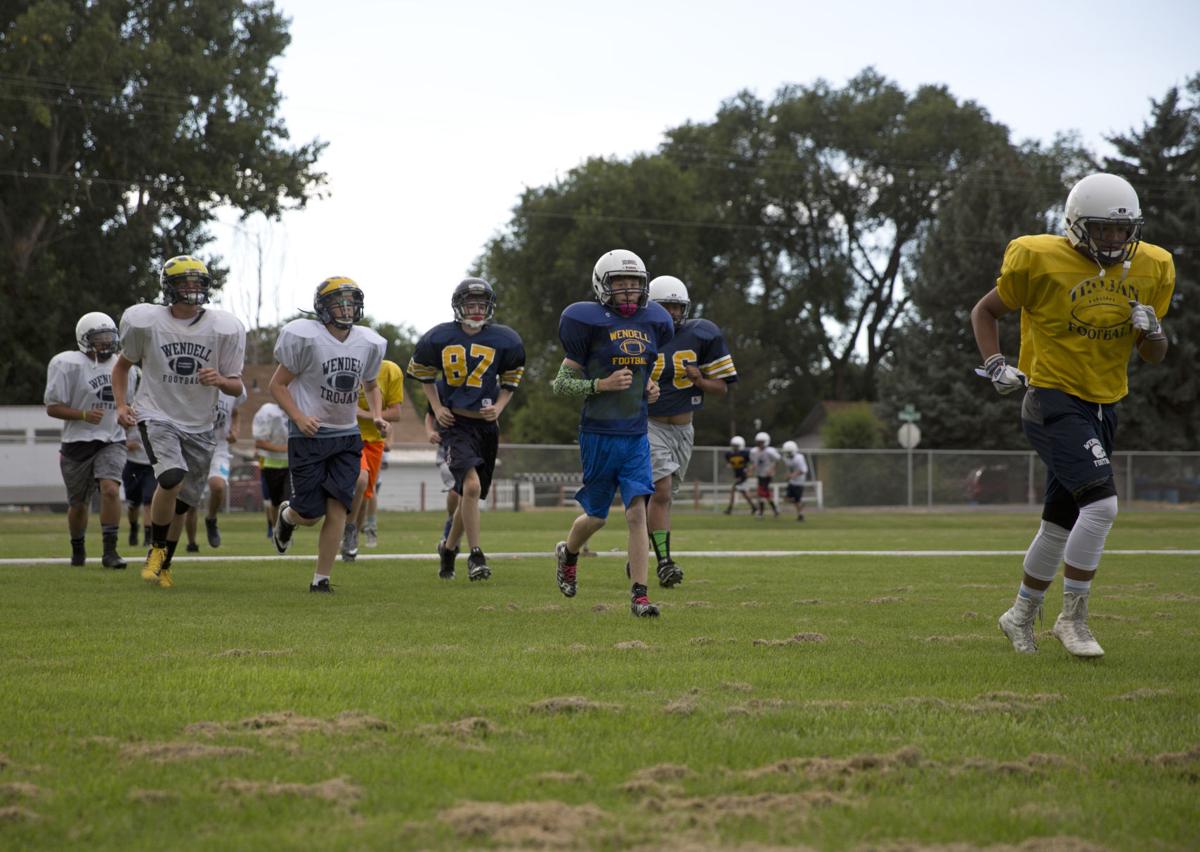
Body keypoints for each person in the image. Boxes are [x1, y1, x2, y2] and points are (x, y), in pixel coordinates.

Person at [970, 172, 1173, 658]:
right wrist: (996, 362)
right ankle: (1072, 619)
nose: (1114, 239)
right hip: (1051, 398)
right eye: (1103, 229)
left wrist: (1155, 332)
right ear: (1078, 225)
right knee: (1102, 507)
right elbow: (985, 311)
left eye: (1122, 231)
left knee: (1060, 522)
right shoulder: (1038, 258)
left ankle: (1019, 616)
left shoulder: (1152, 266)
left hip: (1104, 403)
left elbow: (1154, 356)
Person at [551, 249, 673, 617]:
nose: (627, 293)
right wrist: (600, 384)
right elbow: (560, 385)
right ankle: (568, 552)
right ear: (602, 286)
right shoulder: (585, 321)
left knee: (637, 512)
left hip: (636, 433)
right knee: (598, 517)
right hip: (599, 433)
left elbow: (645, 368)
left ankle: (640, 595)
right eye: (619, 284)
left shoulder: (655, 320)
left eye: (634, 285)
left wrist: (650, 386)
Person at [112, 256, 247, 588]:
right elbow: (121, 367)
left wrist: (219, 379)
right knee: (170, 478)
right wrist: (120, 405)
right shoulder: (146, 322)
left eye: (197, 283)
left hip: (200, 423)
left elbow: (237, 385)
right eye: (185, 283)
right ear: (168, 287)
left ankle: (164, 561)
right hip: (156, 412)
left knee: (185, 502)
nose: (192, 289)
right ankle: (155, 549)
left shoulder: (223, 327)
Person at [269, 276, 387, 593]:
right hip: (309, 435)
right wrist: (298, 416)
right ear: (323, 308)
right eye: (339, 302)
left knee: (339, 506)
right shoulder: (305, 338)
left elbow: (372, 386)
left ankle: (321, 579)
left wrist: (376, 414)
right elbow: (276, 385)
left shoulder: (368, 342)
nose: (347, 309)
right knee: (309, 514)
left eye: (351, 302)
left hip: (346, 435)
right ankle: (288, 517)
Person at [408, 277, 525, 581]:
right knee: (470, 488)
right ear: (458, 306)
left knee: (467, 494)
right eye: (470, 304)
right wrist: (436, 407)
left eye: (481, 304)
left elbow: (511, 378)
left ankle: (448, 549)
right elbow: (423, 373)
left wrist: (498, 408)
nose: (475, 309)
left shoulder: (504, 339)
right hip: (456, 424)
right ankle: (476, 555)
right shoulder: (440, 336)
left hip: (485, 426)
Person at [644, 275, 737, 587]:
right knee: (662, 492)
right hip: (650, 424)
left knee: (664, 498)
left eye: (676, 306)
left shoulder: (702, 333)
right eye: (665, 306)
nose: (671, 312)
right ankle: (664, 563)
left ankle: (640, 550)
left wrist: (700, 381)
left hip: (684, 429)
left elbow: (721, 388)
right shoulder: (640, 334)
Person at [44, 312, 132, 568]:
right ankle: (78, 547)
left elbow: (129, 404)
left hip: (111, 440)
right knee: (79, 504)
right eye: (100, 338)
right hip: (77, 442)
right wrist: (82, 414)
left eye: (109, 337)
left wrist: (129, 413)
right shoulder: (66, 364)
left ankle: (110, 552)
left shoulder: (124, 366)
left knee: (111, 489)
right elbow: (52, 407)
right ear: (84, 339)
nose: (106, 343)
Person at [341, 359, 404, 561]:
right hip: (347, 436)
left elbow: (395, 413)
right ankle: (349, 530)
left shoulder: (390, 370)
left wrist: (369, 415)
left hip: (374, 441)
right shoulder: (345, 364)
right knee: (360, 480)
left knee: (366, 494)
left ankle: (351, 538)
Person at [184, 388, 246, 550]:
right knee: (191, 501)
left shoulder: (231, 387)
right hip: (195, 446)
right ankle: (192, 543)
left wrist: (235, 430)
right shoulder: (196, 384)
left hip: (219, 448)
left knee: (217, 486)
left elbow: (235, 412)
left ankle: (211, 519)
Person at [121, 366, 155, 548]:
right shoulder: (128, 408)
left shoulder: (158, 407)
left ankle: (148, 536)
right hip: (133, 462)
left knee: (149, 501)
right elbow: (116, 435)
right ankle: (134, 528)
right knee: (134, 503)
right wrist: (127, 445)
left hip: (151, 464)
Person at [252, 400, 290, 539]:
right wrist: (285, 449)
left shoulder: (297, 407)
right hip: (270, 464)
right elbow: (259, 442)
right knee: (273, 502)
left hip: (290, 464)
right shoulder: (268, 411)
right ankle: (274, 529)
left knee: (286, 501)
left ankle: (284, 531)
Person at [426, 410, 462, 550]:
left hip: (470, 445)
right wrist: (429, 431)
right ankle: (451, 524)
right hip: (447, 450)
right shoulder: (442, 389)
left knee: (467, 496)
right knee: (455, 492)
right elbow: (430, 413)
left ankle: (454, 536)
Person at [749, 431, 781, 518]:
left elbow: (777, 460)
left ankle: (761, 512)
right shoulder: (754, 452)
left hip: (767, 475)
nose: (759, 444)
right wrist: (750, 469)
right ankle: (775, 509)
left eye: (761, 442)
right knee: (765, 494)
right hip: (760, 474)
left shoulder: (770, 451)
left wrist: (772, 469)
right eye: (758, 442)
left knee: (761, 493)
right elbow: (755, 463)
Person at [723, 435, 756, 514]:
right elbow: (730, 463)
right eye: (733, 446)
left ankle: (729, 509)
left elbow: (754, 462)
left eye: (736, 446)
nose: (735, 448)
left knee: (733, 489)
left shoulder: (745, 453)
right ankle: (754, 507)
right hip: (737, 475)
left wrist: (749, 470)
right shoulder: (729, 454)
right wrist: (729, 464)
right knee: (744, 493)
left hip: (743, 475)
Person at [781, 440, 809, 521]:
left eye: (789, 452)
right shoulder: (786, 458)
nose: (787, 454)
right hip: (792, 481)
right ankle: (801, 510)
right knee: (787, 499)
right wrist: (788, 475)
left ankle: (800, 515)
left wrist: (792, 475)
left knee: (796, 500)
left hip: (799, 482)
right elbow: (789, 468)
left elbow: (803, 470)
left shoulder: (799, 458)